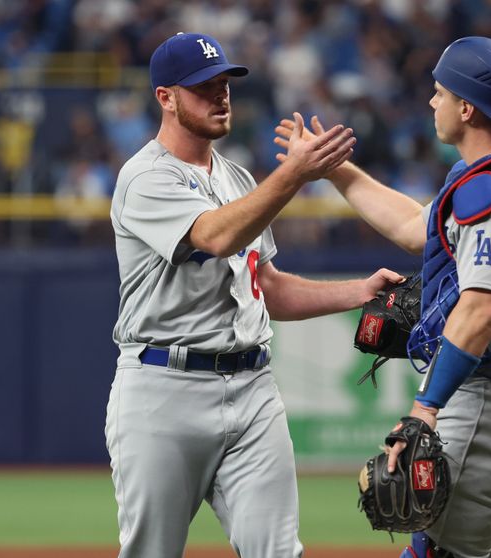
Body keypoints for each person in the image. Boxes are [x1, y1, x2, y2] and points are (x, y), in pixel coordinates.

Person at [105, 32, 402, 558]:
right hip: (163, 390)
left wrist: (359, 292)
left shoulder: (238, 178)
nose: (220, 96)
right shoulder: (144, 176)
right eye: (203, 87)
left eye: (224, 83)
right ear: (165, 97)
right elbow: (216, 237)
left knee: (279, 552)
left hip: (253, 387)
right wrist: (294, 174)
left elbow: (268, 289)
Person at [276, 36, 491, 558]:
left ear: (466, 107)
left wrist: (424, 410)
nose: (432, 103)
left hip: (490, 405)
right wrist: (334, 169)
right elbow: (418, 229)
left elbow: (482, 308)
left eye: (440, 93)